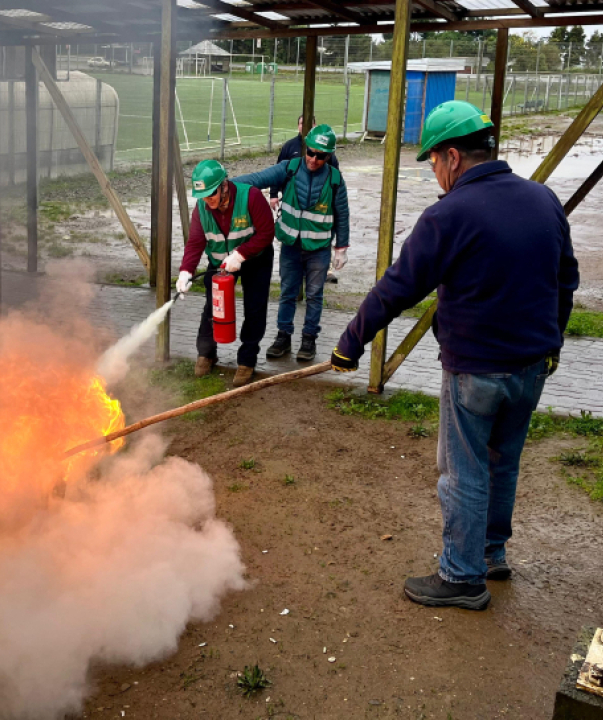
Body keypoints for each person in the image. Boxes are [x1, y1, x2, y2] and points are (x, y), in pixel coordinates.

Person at [329, 101, 580, 611]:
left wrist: (349, 343)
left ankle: (462, 577)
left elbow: (398, 288)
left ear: (452, 157)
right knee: (502, 463)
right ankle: (490, 553)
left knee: (463, 471)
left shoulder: (448, 214)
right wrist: (553, 340)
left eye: (433, 163)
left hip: (475, 371)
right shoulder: (543, 199)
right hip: (532, 367)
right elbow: (566, 279)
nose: (435, 174)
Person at [235, 124, 349, 363]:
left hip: (318, 250)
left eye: (321, 156)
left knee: (314, 295)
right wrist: (227, 184)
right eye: (311, 152)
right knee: (287, 293)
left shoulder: (335, 180)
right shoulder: (289, 168)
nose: (314, 159)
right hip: (290, 246)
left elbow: (342, 215)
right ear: (306, 148)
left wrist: (341, 248)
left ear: (329, 156)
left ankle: (309, 339)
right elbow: (258, 178)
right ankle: (283, 337)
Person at [176, 159, 276, 388]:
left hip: (255, 260)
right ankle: (206, 353)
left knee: (254, 308)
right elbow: (195, 243)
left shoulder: (251, 197)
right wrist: (185, 271)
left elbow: (266, 233)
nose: (208, 200)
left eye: (211, 194)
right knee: (213, 307)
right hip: (220, 263)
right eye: (203, 196)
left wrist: (240, 255)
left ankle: (247, 360)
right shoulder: (201, 208)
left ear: (224, 185)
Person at [270, 114, 339, 212]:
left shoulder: (324, 148)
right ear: (298, 126)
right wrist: (273, 195)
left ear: (315, 126)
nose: (305, 126)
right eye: (302, 123)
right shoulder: (289, 146)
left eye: (308, 123)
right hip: (292, 197)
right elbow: (277, 172)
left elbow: (335, 173)